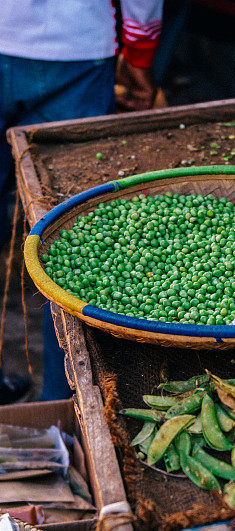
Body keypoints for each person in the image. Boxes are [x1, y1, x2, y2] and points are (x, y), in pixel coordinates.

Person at [0, 0, 163, 403]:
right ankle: (63, 406)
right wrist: (139, 52)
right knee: (70, 235)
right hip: (74, 45)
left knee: (70, 242)